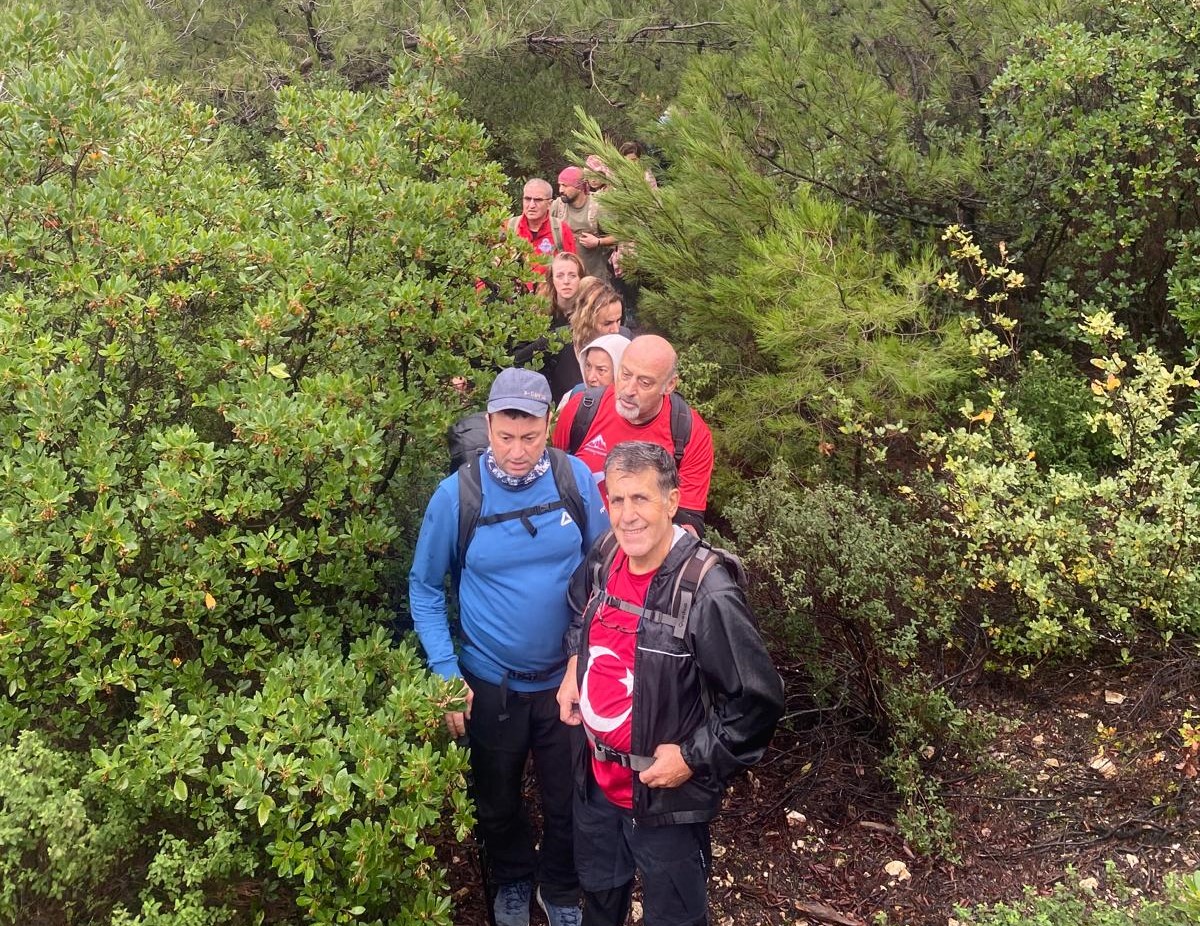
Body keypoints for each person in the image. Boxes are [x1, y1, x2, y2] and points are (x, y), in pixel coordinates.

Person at [408, 368, 607, 926]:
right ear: (490, 424)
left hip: (567, 680)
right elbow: (424, 587)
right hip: (490, 682)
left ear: (549, 427)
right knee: (496, 799)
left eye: (531, 436)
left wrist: (585, 661)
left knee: (568, 798)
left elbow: (605, 571)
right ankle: (514, 878)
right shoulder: (457, 496)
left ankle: (561, 887)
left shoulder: (577, 480)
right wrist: (446, 673)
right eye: (505, 436)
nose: (517, 452)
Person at [557, 441, 784, 926]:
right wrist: (574, 669)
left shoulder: (706, 590)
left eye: (641, 498)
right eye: (617, 500)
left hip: (665, 802)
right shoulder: (604, 556)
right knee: (600, 897)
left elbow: (757, 700)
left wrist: (691, 757)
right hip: (595, 782)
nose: (627, 515)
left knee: (674, 918)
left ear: (672, 500)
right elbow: (580, 609)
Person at [552, 335, 714, 534]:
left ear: (669, 385)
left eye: (644, 383)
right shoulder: (582, 409)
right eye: (625, 374)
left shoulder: (690, 433)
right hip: (577, 537)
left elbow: (689, 520)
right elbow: (553, 476)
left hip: (641, 546)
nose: (628, 390)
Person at [546, 279, 626, 403]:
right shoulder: (558, 341)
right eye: (607, 323)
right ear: (587, 321)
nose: (616, 329)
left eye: (619, 320)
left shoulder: (624, 339)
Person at [552, 166, 614, 284]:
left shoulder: (598, 208)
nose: (560, 190)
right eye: (560, 185)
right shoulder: (558, 206)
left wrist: (598, 242)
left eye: (565, 185)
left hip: (593, 279)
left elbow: (620, 236)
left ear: (579, 187)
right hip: (565, 281)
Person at [506, 178, 577, 278]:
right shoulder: (509, 227)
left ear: (549, 204)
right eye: (527, 199)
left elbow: (572, 270)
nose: (531, 205)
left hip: (550, 291)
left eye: (538, 200)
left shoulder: (560, 230)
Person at [556, 334, 632, 411]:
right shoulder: (574, 396)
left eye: (601, 370)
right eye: (588, 366)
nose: (590, 378)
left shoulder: (633, 413)